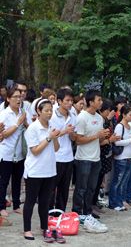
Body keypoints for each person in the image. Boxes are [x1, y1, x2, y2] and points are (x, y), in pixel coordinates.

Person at [23, 99, 62, 242]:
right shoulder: (32, 128)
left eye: (51, 110)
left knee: (45, 201)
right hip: (34, 171)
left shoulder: (52, 125)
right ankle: (27, 229)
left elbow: (56, 149)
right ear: (38, 111)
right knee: (30, 201)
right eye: (46, 110)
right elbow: (35, 151)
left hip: (49, 170)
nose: (49, 113)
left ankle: (44, 227)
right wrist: (49, 137)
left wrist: (55, 138)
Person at [72, 90, 110, 233]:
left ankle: (87, 213)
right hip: (83, 159)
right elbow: (78, 140)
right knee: (81, 188)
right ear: (90, 102)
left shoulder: (100, 118)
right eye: (98, 100)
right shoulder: (82, 117)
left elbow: (98, 139)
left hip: (96, 158)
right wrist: (97, 136)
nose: (101, 102)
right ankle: (76, 213)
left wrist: (103, 137)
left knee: (92, 188)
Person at [0, 86, 28, 217]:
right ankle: (1, 206)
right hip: (6, 153)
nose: (19, 99)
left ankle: (16, 205)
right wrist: (18, 124)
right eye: (15, 97)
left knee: (17, 180)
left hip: (19, 152)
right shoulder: (4, 114)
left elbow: (26, 128)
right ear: (8, 99)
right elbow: (3, 134)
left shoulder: (22, 112)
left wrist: (27, 123)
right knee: (4, 181)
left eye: (20, 96)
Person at [48, 89, 76, 212]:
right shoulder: (52, 116)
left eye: (71, 101)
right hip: (55, 156)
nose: (70, 103)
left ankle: (60, 214)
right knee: (51, 189)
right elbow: (50, 136)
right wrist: (65, 131)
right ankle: (48, 214)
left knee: (64, 189)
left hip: (69, 157)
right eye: (67, 100)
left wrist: (72, 134)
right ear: (59, 101)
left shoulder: (73, 116)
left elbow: (73, 138)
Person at [109, 105, 131, 211]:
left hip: (129, 157)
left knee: (123, 182)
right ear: (123, 115)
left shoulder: (129, 126)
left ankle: (119, 202)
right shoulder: (119, 126)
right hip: (121, 157)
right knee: (117, 181)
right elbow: (116, 142)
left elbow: (129, 141)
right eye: (130, 114)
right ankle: (113, 203)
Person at [93, 99, 119, 214]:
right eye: (108, 110)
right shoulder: (101, 121)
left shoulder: (108, 120)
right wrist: (110, 140)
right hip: (99, 154)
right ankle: (91, 204)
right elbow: (98, 141)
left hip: (106, 154)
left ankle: (94, 203)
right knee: (95, 181)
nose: (110, 112)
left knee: (99, 181)